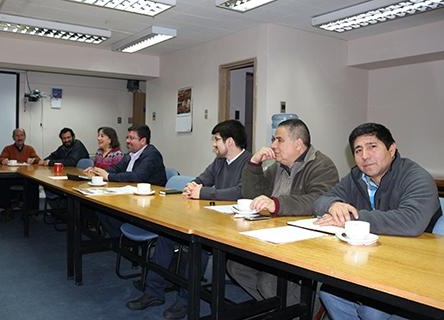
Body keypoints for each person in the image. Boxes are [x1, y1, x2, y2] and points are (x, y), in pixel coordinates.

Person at [313, 122, 441, 320]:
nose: (364, 156)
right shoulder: (356, 177)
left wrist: (351, 219)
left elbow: (411, 221)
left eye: (372, 147)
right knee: (330, 293)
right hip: (374, 262)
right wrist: (334, 205)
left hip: (415, 267)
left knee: (372, 309)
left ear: (391, 149)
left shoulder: (415, 176)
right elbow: (320, 200)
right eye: (358, 150)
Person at [126, 120, 252, 320]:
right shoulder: (219, 161)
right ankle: (153, 291)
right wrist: (192, 186)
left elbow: (241, 191)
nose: (213, 144)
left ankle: (186, 299)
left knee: (197, 246)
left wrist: (204, 192)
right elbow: (202, 179)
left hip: (233, 226)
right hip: (211, 218)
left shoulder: (249, 162)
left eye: (216, 140)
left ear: (229, 142)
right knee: (166, 236)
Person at [226, 119, 339, 304]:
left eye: (279, 140)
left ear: (298, 144)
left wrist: (277, 204)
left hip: (304, 242)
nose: (273, 145)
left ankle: (299, 310)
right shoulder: (278, 166)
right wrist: (254, 164)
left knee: (268, 283)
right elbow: (254, 195)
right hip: (273, 236)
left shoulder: (322, 165)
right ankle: (276, 307)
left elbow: (318, 200)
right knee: (236, 266)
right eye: (273, 140)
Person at [88, 125, 167, 237]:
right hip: (131, 194)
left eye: (131, 138)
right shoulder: (131, 154)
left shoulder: (152, 154)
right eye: (127, 137)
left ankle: (123, 239)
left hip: (150, 201)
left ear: (143, 141)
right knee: (100, 207)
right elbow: (116, 168)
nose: (127, 141)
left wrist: (109, 176)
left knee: (106, 210)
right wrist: (99, 172)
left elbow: (137, 176)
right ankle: (120, 238)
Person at [0, 128, 40, 220]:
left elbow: (38, 159)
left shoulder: (29, 149)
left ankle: (30, 210)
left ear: (24, 137)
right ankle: (7, 208)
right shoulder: (8, 148)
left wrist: (33, 160)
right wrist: (3, 160)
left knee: (34, 182)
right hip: (11, 176)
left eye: (21, 135)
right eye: (17, 136)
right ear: (13, 137)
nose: (19, 138)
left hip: (25, 176)